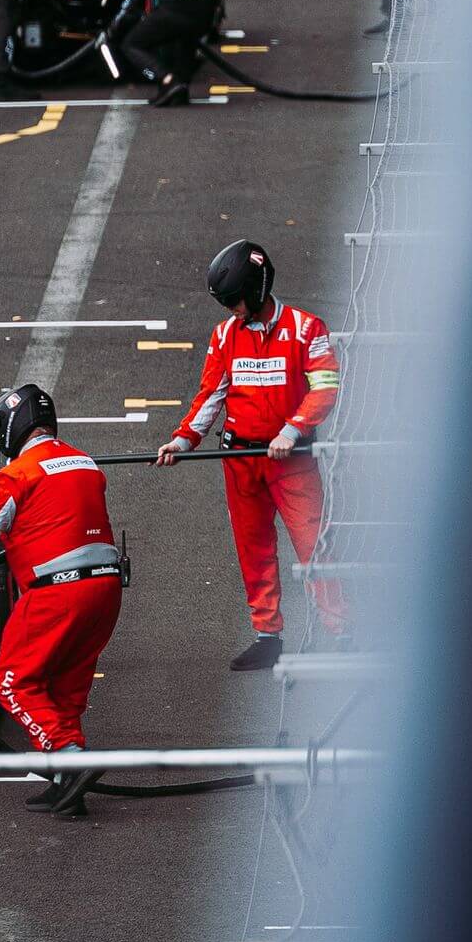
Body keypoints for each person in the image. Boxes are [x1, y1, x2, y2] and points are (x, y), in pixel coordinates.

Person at [0, 384, 124, 817]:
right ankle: (67, 783)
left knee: (13, 682)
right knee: (66, 690)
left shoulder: (15, 475)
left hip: (58, 590)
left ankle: (68, 761)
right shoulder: (85, 463)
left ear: (9, 432)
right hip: (106, 590)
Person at [155, 240, 346, 668]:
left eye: (234, 301)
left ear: (256, 289)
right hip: (241, 463)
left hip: (292, 461)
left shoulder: (306, 329)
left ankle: (340, 629)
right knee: (254, 550)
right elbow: (211, 395)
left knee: (314, 544)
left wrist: (292, 431)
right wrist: (183, 440)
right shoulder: (224, 335)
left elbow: (326, 388)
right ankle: (267, 635)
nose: (231, 311)